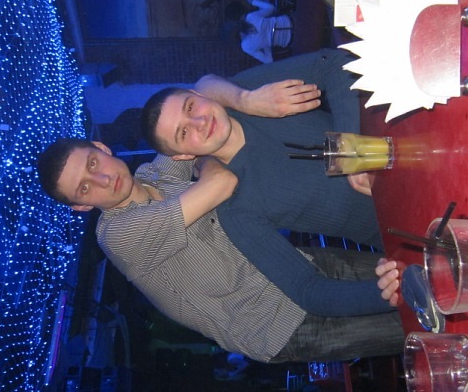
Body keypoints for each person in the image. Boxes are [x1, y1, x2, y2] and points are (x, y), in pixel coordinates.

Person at [36, 138, 405, 363]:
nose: (103, 180)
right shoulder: (117, 235)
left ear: (101, 148)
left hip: (297, 263)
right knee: (414, 319)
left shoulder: (152, 174)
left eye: (93, 163)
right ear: (81, 206)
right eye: (85, 188)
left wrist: (202, 156)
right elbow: (221, 183)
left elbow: (193, 117)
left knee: (410, 268)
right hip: (283, 324)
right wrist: (206, 164)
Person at [142, 48, 395, 318]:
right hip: (402, 227)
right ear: (183, 156)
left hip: (408, 148)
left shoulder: (251, 96)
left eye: (190, 107)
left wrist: (349, 148)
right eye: (183, 133)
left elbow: (335, 63)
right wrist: (387, 292)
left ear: (198, 94)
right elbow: (306, 289)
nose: (199, 122)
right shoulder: (235, 210)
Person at [232, 0, 292, 64]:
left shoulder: (246, 46)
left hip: (290, 40)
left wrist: (266, 45)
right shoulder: (250, 18)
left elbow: (269, 60)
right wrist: (253, 1)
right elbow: (271, 8)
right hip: (291, 21)